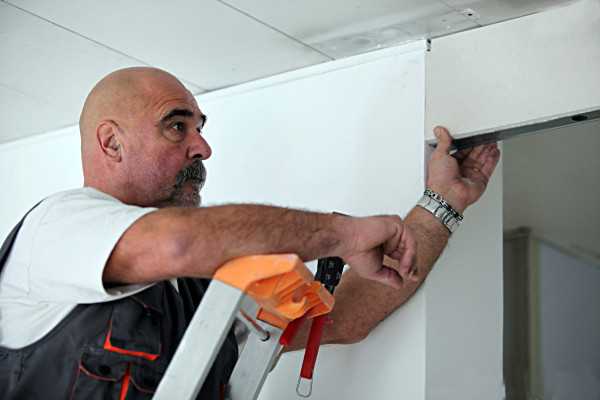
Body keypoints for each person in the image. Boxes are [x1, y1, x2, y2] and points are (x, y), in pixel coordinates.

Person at [0, 67, 500, 399]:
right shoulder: (56, 228)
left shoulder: (205, 292)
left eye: (200, 128)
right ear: (111, 143)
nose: (202, 147)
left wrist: (444, 202)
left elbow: (342, 318)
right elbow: (177, 241)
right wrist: (341, 234)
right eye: (176, 126)